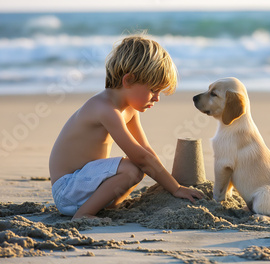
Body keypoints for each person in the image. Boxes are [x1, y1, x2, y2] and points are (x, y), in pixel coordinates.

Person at [49, 34, 204, 220]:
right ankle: (84, 214)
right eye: (153, 90)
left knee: (136, 168)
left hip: (86, 184)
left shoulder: (129, 110)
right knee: (132, 167)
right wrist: (175, 188)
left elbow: (146, 150)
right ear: (128, 80)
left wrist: (170, 183)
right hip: (68, 189)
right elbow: (140, 157)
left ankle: (105, 206)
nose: (157, 98)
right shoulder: (105, 109)